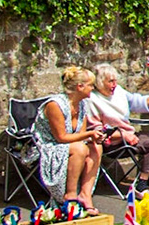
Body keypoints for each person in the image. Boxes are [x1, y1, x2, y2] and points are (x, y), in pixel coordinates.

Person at [88, 64, 149, 192]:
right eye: (110, 81)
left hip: (129, 136)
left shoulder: (118, 91)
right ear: (99, 82)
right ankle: (141, 184)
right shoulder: (92, 100)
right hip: (114, 142)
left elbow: (139, 103)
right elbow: (98, 131)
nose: (114, 84)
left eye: (115, 80)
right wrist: (124, 135)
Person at [36, 65, 106, 209]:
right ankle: (70, 195)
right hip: (49, 145)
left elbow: (80, 135)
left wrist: (94, 137)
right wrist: (89, 134)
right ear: (80, 87)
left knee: (96, 147)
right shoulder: (55, 105)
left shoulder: (82, 104)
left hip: (70, 144)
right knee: (80, 149)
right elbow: (60, 137)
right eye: (91, 85)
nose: (93, 88)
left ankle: (85, 195)